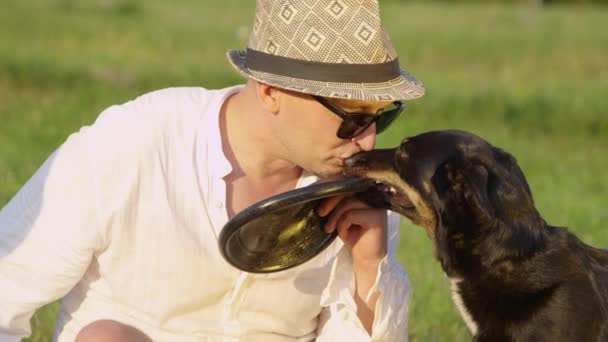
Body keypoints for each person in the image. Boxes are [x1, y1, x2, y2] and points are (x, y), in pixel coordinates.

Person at [0, 0, 425, 341]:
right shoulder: (136, 142)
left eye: (381, 117)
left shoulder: (358, 196)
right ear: (272, 91)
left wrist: (371, 269)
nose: (367, 141)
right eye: (350, 116)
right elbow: (8, 281)